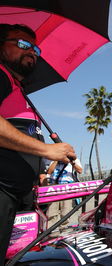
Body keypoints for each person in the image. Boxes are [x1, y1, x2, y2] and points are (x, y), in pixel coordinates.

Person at [0, 24, 77, 263]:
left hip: (18, 197)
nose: (31, 51)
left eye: (35, 48)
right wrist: (46, 149)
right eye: (22, 44)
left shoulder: (16, 88)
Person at [46, 160, 82, 228]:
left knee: (66, 211)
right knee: (51, 212)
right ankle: (50, 230)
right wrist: (56, 160)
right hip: (54, 188)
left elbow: (80, 170)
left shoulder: (74, 159)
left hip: (67, 187)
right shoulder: (53, 159)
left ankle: (64, 229)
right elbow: (49, 171)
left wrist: (72, 162)